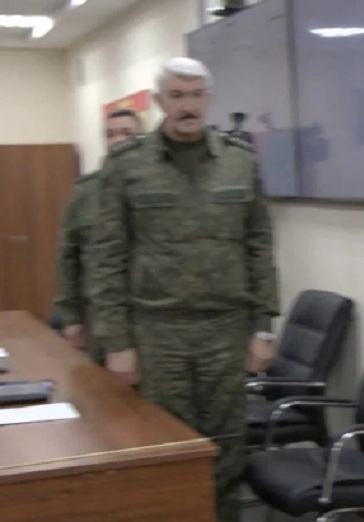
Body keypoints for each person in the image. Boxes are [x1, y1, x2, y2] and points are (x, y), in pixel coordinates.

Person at [88, 57, 279, 522]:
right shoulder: (127, 165)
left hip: (225, 332)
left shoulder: (240, 161)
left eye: (195, 96)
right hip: (158, 333)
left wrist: (263, 328)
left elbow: (259, 246)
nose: (187, 106)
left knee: (226, 451)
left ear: (208, 99)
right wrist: (117, 343)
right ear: (159, 102)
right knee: (165, 450)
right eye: (176, 96)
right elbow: (106, 256)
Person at [54, 109, 144, 359]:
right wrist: (71, 317)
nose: (118, 140)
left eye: (127, 133)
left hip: (153, 318)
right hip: (100, 317)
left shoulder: (161, 189)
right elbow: (68, 257)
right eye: (110, 134)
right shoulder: (85, 192)